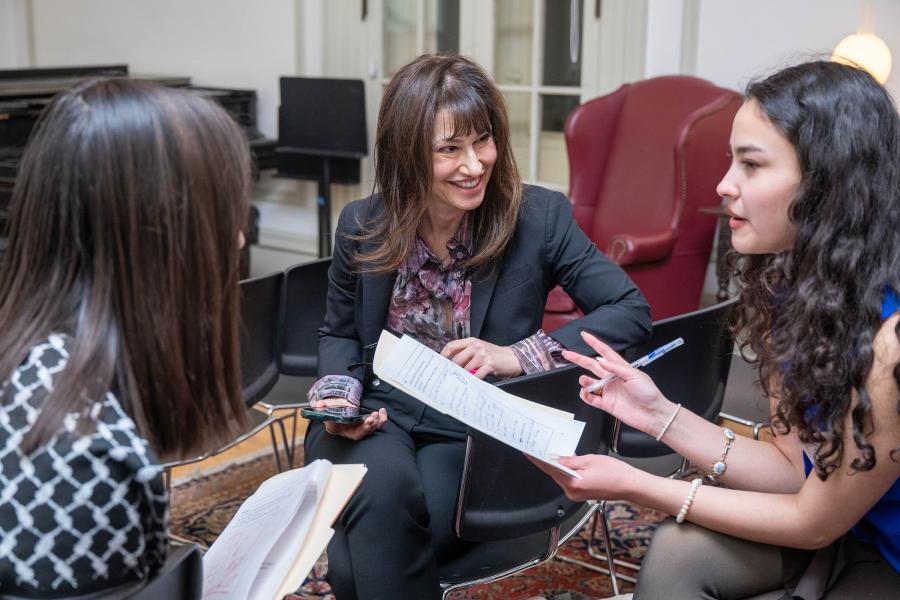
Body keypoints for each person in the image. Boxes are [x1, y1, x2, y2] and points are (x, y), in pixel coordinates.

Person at [530, 60, 900, 599]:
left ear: (828, 183)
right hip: (843, 522)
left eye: (751, 165)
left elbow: (812, 520)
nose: (724, 184)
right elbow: (788, 468)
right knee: (680, 550)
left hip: (880, 548)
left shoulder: (890, 343)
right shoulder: (797, 290)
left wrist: (638, 484)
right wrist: (657, 414)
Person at [304, 53, 651, 599]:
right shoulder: (362, 225)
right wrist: (337, 400)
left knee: (363, 544)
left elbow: (629, 310)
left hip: (474, 428)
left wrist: (517, 356)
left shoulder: (538, 217)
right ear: (406, 155)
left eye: (483, 141)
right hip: (377, 414)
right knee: (379, 494)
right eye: (449, 149)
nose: (474, 164)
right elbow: (340, 334)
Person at [0, 79, 250, 596]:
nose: (239, 237)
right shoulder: (79, 463)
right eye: (223, 215)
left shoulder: (43, 362)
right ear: (161, 236)